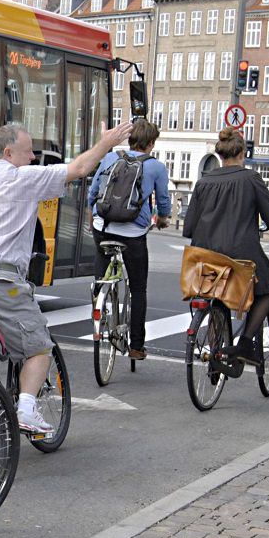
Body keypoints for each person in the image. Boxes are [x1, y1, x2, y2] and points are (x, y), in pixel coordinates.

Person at [0, 119, 134, 434]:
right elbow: (78, 169)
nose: (33, 157)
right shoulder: (23, 179)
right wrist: (106, 143)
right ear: (8, 153)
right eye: (28, 151)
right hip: (3, 282)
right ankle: (26, 408)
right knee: (38, 346)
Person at [183, 128, 269, 367]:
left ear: (220, 156)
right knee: (266, 290)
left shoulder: (203, 182)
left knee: (215, 295)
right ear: (243, 153)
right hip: (241, 251)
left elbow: (189, 226)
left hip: (206, 253)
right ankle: (244, 343)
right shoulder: (250, 179)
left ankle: (214, 357)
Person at [85, 119, 171, 360]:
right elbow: (163, 201)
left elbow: (93, 193)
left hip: (104, 227)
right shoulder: (156, 167)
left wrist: (92, 218)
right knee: (138, 288)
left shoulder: (111, 158)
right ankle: (136, 346)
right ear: (151, 143)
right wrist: (163, 219)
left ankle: (99, 302)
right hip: (133, 233)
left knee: (101, 275)